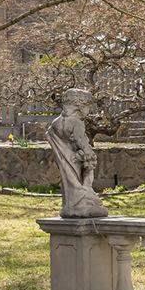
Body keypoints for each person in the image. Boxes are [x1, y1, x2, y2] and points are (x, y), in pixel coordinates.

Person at [46, 88, 108, 218]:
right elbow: (81, 141)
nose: (89, 111)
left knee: (70, 181)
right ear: (80, 106)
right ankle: (83, 200)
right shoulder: (76, 122)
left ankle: (73, 204)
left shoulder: (55, 123)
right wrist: (88, 153)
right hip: (78, 159)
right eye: (88, 107)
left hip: (66, 159)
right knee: (87, 176)